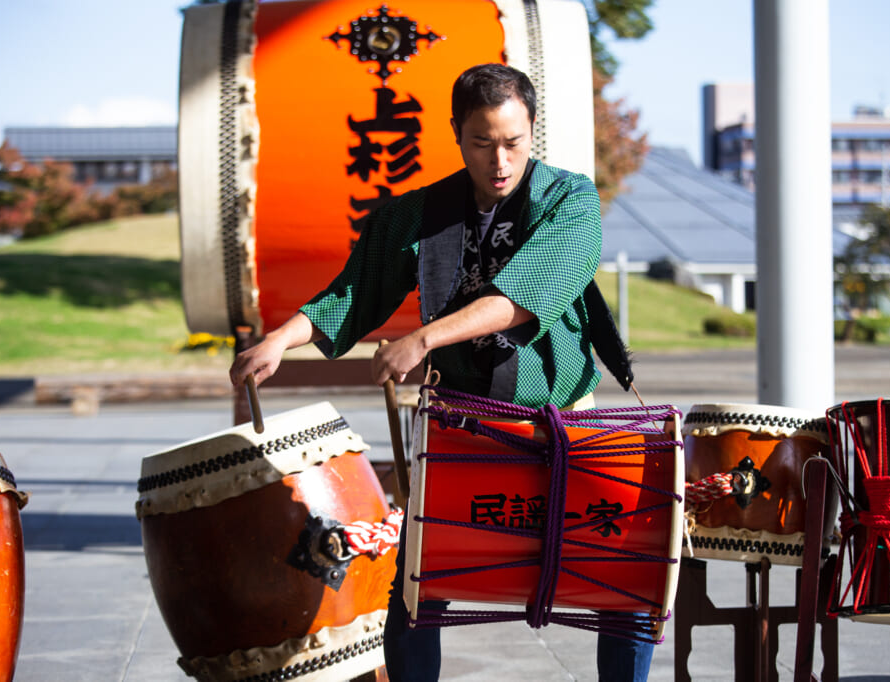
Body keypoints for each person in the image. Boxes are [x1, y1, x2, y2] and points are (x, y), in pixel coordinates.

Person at [228, 63, 651, 681]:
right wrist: (280, 340)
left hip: (561, 418)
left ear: (533, 130)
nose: (499, 161)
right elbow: (353, 293)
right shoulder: (420, 215)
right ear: (456, 133)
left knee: (623, 579)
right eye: (482, 143)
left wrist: (423, 338)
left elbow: (525, 296)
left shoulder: (571, 199)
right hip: (464, 421)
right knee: (416, 590)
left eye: (513, 142)